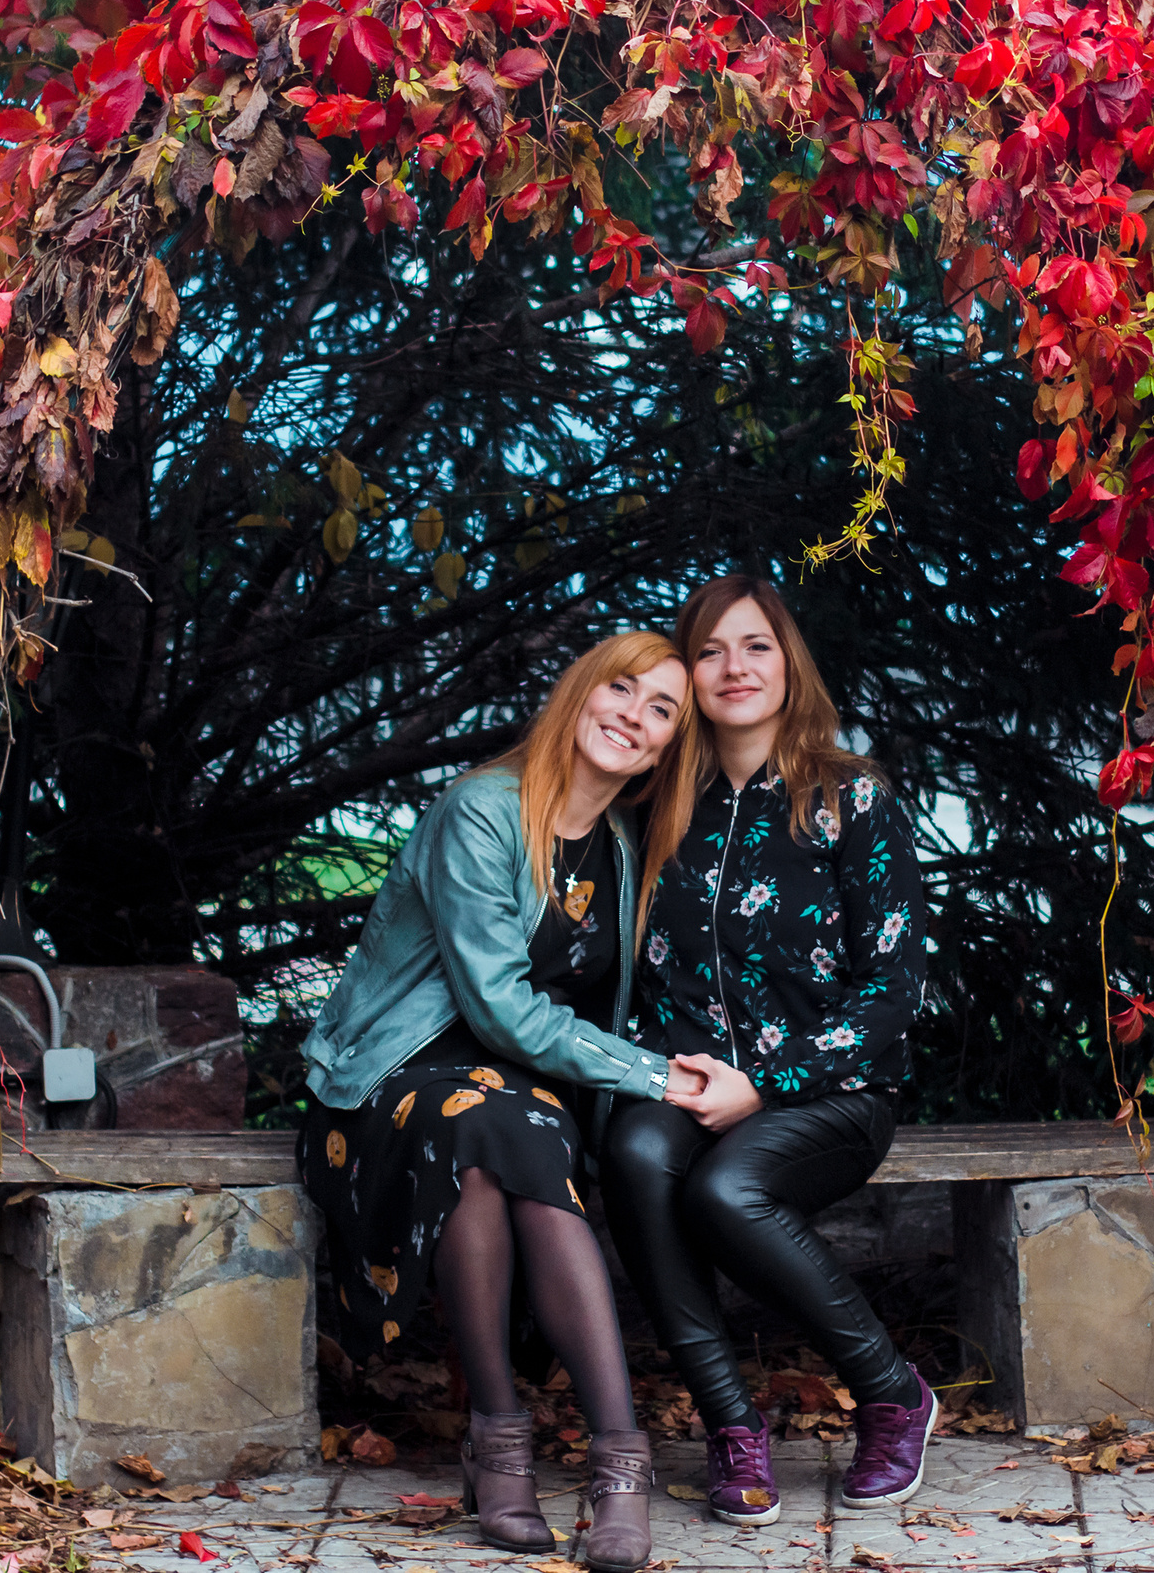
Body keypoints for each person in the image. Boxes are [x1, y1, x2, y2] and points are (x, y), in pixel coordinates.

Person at [297, 630, 716, 1572]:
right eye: (623, 690)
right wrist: (658, 1075)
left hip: (517, 1095)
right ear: (579, 693)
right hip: (391, 1081)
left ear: (665, 751)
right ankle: (575, 1448)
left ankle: (542, 1451)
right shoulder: (481, 812)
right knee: (488, 1127)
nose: (633, 717)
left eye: (661, 713)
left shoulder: (617, 846)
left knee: (504, 1130)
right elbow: (498, 1007)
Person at [602, 576, 936, 1526]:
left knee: (726, 1191)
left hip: (832, 1091)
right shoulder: (659, 804)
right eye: (710, 651)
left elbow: (893, 991)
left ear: (789, 664)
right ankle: (731, 1429)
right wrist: (666, 1074)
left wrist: (769, 1082)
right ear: (690, 674)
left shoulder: (851, 797)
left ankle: (891, 1393)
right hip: (689, 1085)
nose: (734, 667)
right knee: (634, 1154)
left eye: (755, 646)